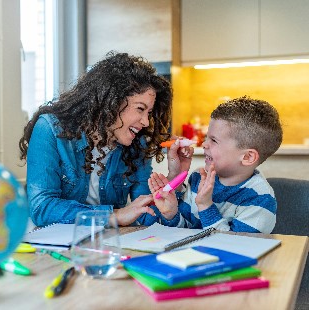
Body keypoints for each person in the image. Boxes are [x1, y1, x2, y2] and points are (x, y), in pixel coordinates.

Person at [19, 52, 189, 227]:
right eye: (140, 109)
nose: (146, 122)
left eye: (149, 113)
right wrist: (114, 216)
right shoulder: (49, 129)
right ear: (111, 102)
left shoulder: (137, 143)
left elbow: (145, 213)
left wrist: (174, 178)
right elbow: (42, 207)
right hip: (52, 247)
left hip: (110, 243)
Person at [149, 96, 283, 233]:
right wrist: (171, 214)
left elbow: (235, 246)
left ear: (248, 157)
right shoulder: (198, 178)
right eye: (207, 137)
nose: (204, 144)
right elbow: (185, 232)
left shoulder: (260, 199)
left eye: (214, 140)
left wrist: (205, 206)